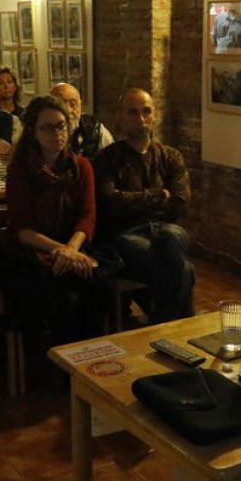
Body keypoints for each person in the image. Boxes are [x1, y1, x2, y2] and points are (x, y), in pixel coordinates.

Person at [4, 95, 106, 344]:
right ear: (33, 131)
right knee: (58, 295)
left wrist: (71, 249)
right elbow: (22, 228)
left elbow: (87, 215)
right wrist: (62, 251)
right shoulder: (20, 170)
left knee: (96, 284)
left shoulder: (81, 166)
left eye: (61, 125)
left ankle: (91, 361)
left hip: (71, 244)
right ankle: (59, 365)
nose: (56, 133)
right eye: (47, 127)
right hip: (33, 249)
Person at [93, 88, 194, 323]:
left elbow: (180, 203)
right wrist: (159, 195)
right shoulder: (108, 158)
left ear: (154, 114)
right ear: (120, 116)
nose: (141, 119)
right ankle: (174, 324)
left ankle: (161, 320)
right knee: (183, 269)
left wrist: (134, 198)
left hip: (167, 228)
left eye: (146, 112)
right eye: (133, 112)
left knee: (169, 238)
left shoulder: (170, 157)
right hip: (128, 233)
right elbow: (111, 203)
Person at [49, 82, 111, 158]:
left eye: (73, 104)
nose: (68, 111)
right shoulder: (42, 131)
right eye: (61, 104)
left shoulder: (96, 129)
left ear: (80, 105)